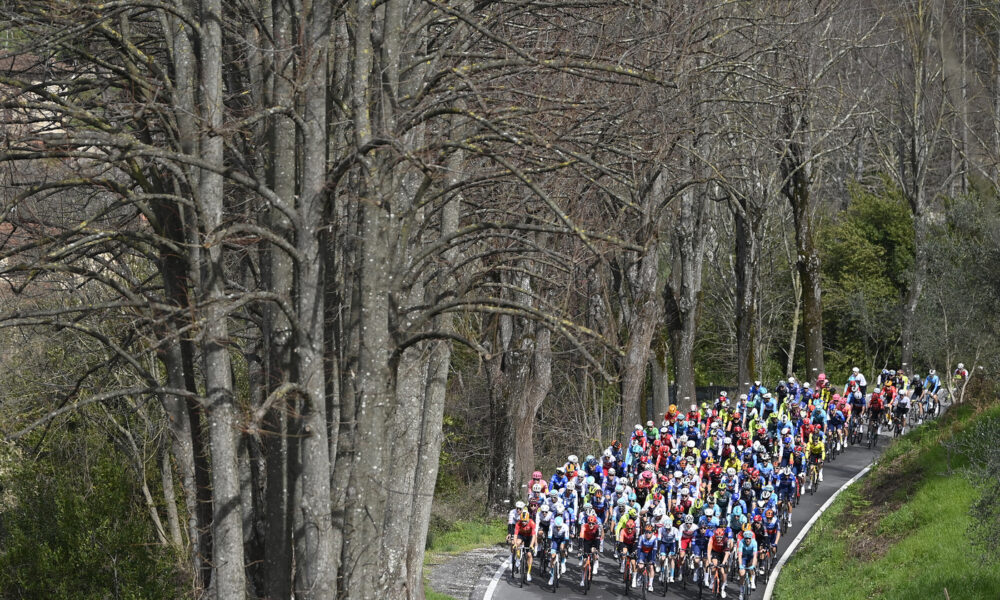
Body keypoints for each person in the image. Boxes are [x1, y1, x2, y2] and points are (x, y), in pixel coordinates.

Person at [513, 510, 537, 582]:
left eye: (525, 521)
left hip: (529, 537)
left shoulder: (532, 523)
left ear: (528, 519)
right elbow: (515, 535)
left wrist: (532, 545)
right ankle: (517, 558)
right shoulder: (518, 523)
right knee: (517, 543)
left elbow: (533, 536)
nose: (523, 522)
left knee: (529, 554)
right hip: (521, 535)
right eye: (522, 521)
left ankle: (528, 573)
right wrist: (514, 543)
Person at [578, 513, 602, 583]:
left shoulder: (597, 528)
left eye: (592, 523)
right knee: (584, 560)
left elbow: (598, 539)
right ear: (587, 523)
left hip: (594, 541)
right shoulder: (584, 527)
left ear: (595, 524)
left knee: (593, 551)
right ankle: (583, 578)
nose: (591, 525)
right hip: (586, 541)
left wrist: (596, 549)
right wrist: (580, 549)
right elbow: (581, 538)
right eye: (590, 523)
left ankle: (595, 562)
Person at [547, 515, 571, 585]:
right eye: (557, 527)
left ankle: (563, 562)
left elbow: (567, 539)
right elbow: (549, 538)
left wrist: (565, 549)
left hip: (562, 540)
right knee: (552, 556)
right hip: (555, 540)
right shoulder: (551, 526)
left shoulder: (565, 527)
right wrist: (549, 547)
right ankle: (551, 576)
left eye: (559, 527)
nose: (558, 528)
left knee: (562, 548)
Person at [636, 524, 659, 591]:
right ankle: (639, 577)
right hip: (642, 552)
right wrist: (638, 559)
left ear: (652, 533)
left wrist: (653, 560)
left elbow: (654, 550)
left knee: (651, 567)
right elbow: (639, 549)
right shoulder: (641, 537)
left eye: (649, 532)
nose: (647, 534)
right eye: (646, 532)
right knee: (640, 565)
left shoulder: (655, 538)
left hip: (650, 553)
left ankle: (650, 585)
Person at [737, 529, 759, 595]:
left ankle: (752, 581)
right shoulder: (741, 542)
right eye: (746, 538)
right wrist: (740, 565)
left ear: (751, 538)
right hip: (744, 557)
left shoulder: (754, 543)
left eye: (749, 538)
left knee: (751, 565)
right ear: (744, 538)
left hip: (751, 556)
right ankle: (741, 592)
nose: (748, 540)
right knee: (741, 574)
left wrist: (753, 565)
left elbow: (755, 556)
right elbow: (740, 555)